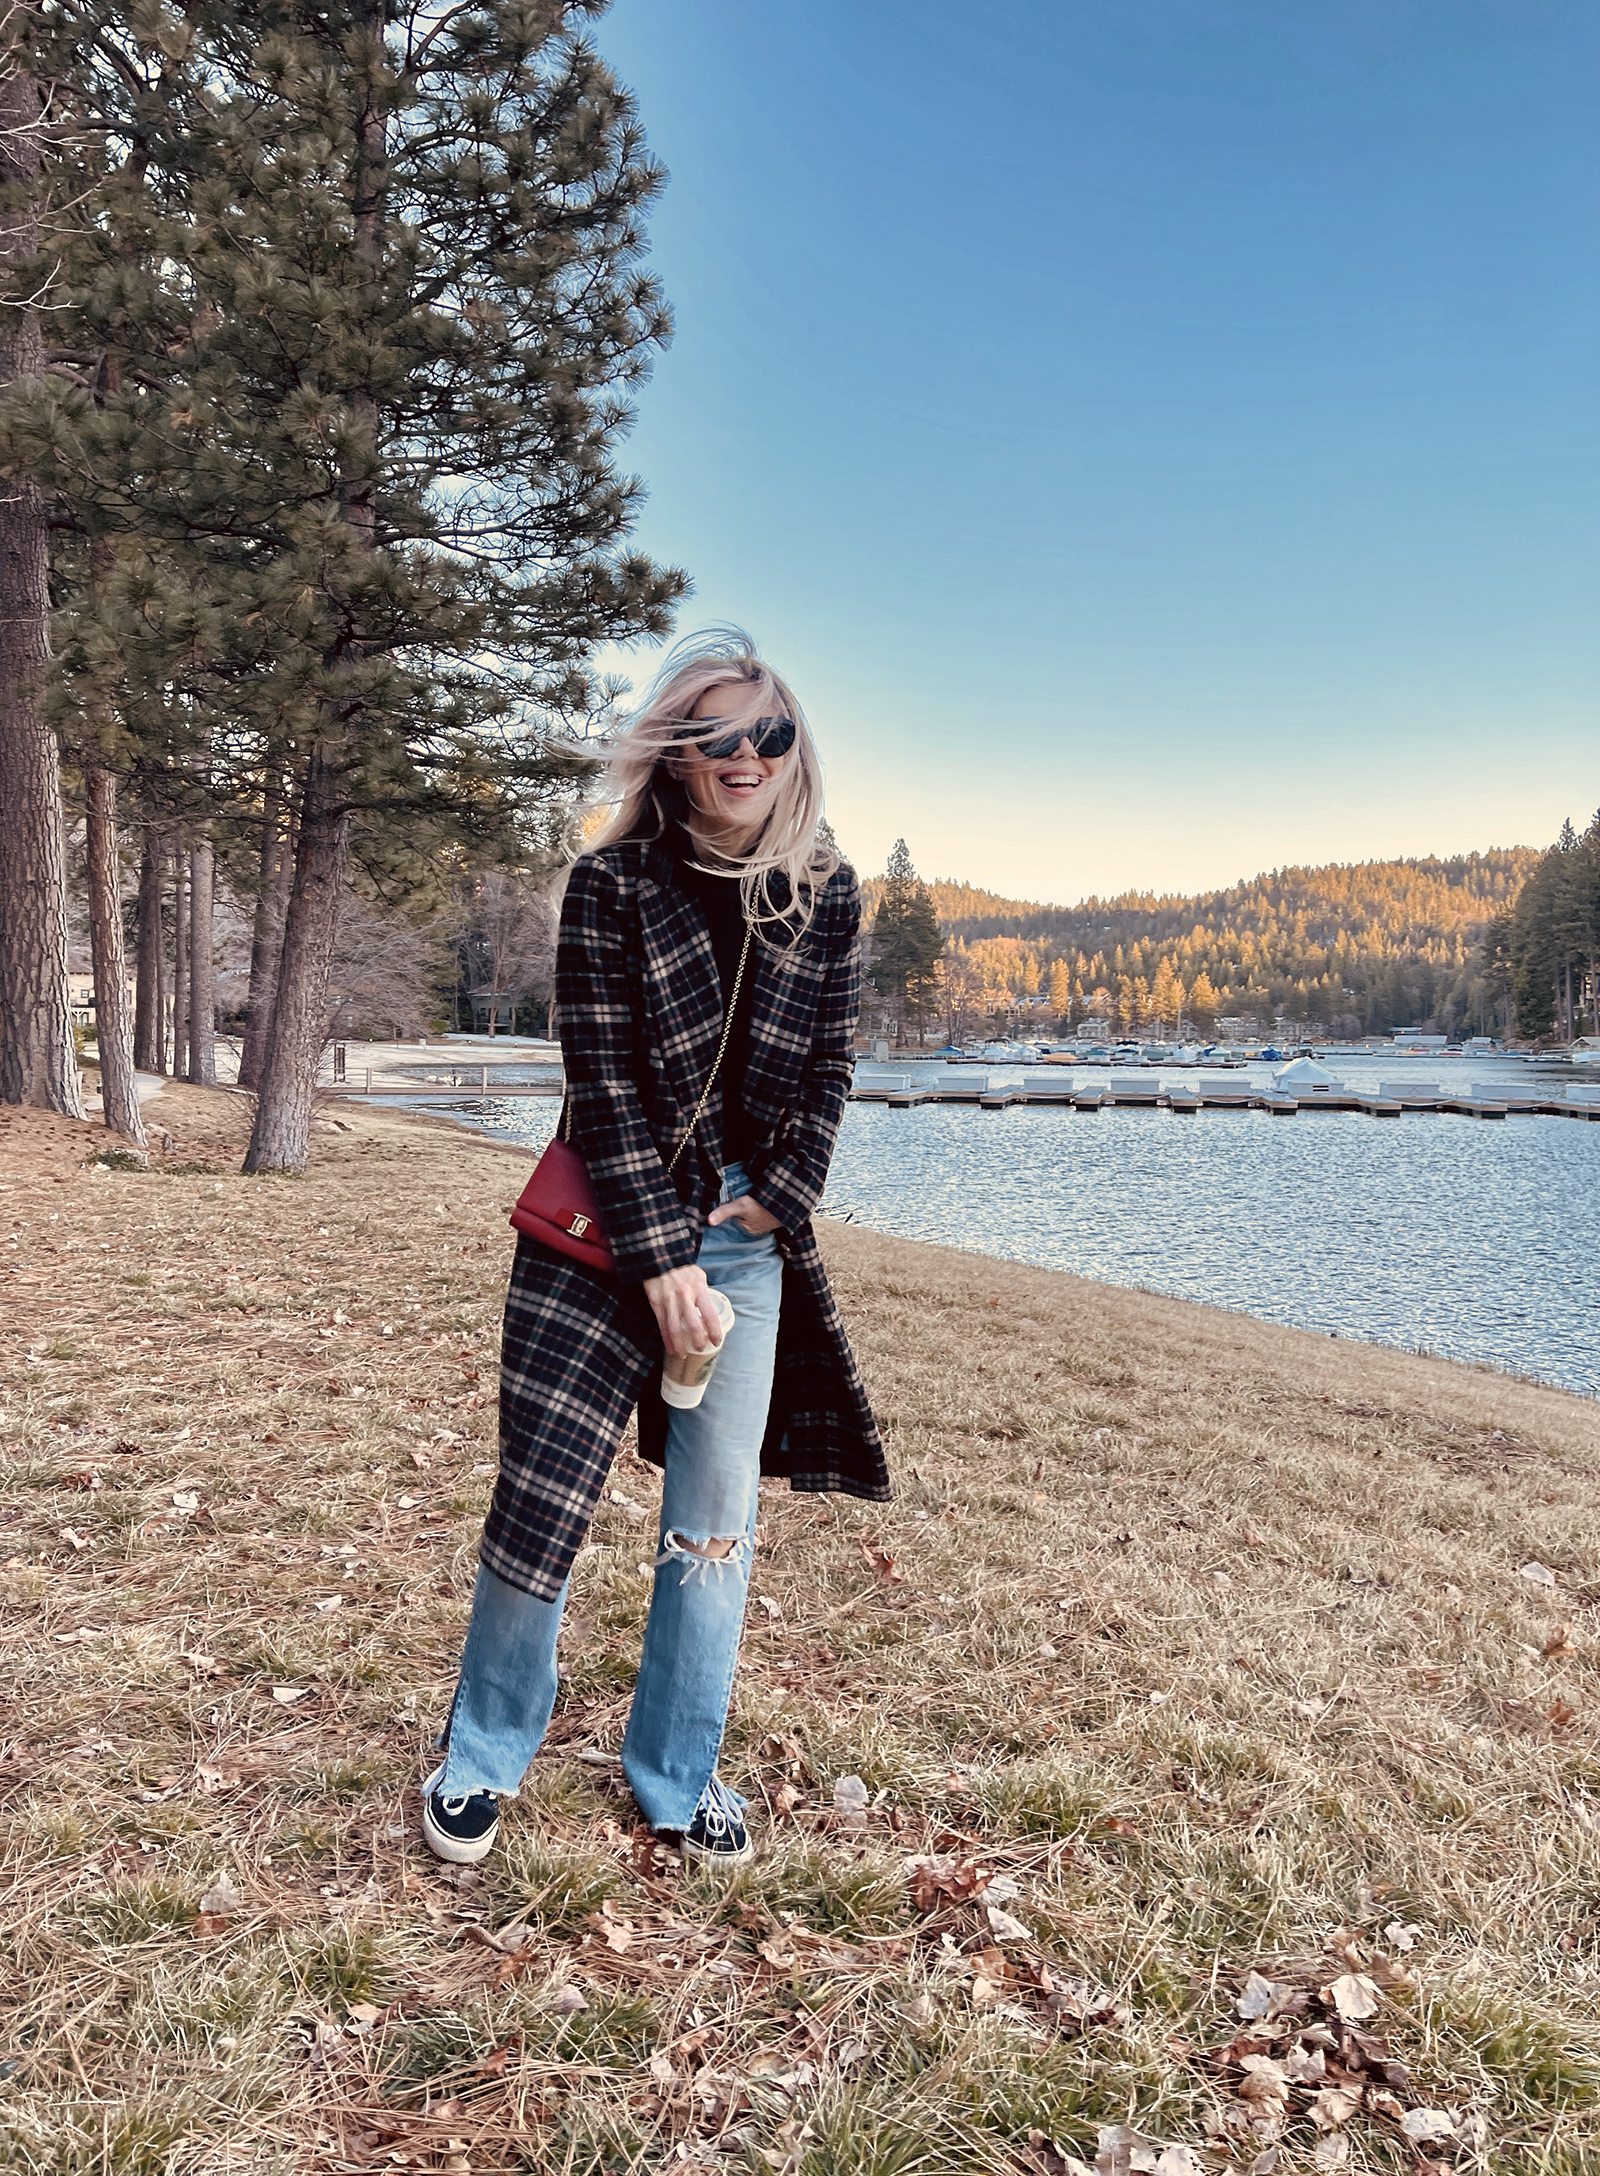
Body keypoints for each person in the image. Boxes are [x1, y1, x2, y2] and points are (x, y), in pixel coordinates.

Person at [421, 632, 889, 1868]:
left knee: (712, 1526)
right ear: (677, 760)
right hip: (604, 1221)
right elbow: (604, 1080)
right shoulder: (611, 882)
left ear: (795, 750)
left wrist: (785, 1192)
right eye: (717, 737)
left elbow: (832, 1065)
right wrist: (657, 1251)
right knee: (542, 1495)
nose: (747, 757)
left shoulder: (826, 889)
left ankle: (678, 1776)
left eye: (768, 734)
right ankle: (481, 1753)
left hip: (742, 1229)